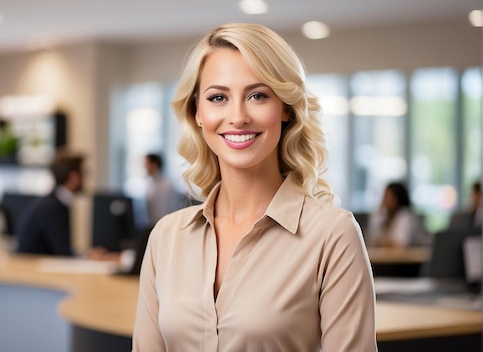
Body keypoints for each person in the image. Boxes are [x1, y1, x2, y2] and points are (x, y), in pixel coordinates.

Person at [133, 23, 377, 351]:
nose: (237, 116)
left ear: (286, 107)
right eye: (218, 97)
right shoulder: (166, 238)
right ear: (198, 113)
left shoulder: (333, 235)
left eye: (257, 95)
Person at [15, 150, 84, 256]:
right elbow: (63, 252)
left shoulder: (50, 202)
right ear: (74, 177)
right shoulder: (53, 208)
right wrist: (86, 257)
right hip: (34, 270)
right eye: (83, 173)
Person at [366, 182, 427, 248]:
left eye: (388, 196)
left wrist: (382, 242)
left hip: (407, 257)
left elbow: (400, 243)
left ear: (397, 199)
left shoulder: (406, 216)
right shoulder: (384, 216)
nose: (384, 200)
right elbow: (372, 239)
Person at [144, 153, 183, 226]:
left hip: (167, 226)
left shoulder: (168, 185)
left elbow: (174, 209)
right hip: (154, 226)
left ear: (154, 164)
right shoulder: (150, 184)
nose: (145, 166)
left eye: (146, 163)